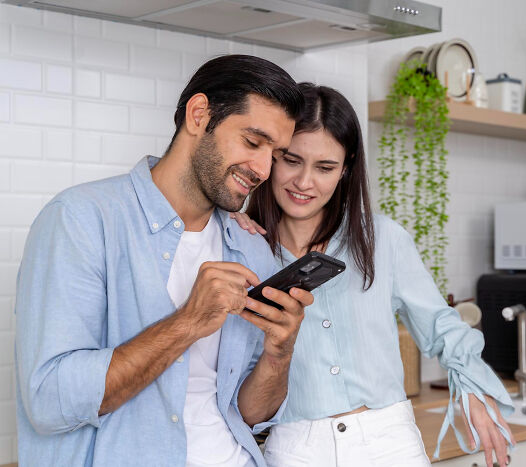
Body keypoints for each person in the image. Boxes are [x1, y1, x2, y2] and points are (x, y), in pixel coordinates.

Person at [14, 55, 314, 467]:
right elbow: (49, 401)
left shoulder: (250, 249)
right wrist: (188, 321)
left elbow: (247, 416)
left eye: (276, 154)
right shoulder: (81, 220)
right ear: (198, 115)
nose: (264, 169)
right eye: (252, 141)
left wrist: (279, 354)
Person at [231, 83, 515, 467]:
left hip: (390, 443)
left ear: (346, 169)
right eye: (291, 160)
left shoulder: (383, 239)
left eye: (325, 167)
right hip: (295, 448)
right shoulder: (242, 248)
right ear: (271, 157)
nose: (304, 182)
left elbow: (440, 325)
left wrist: (474, 391)